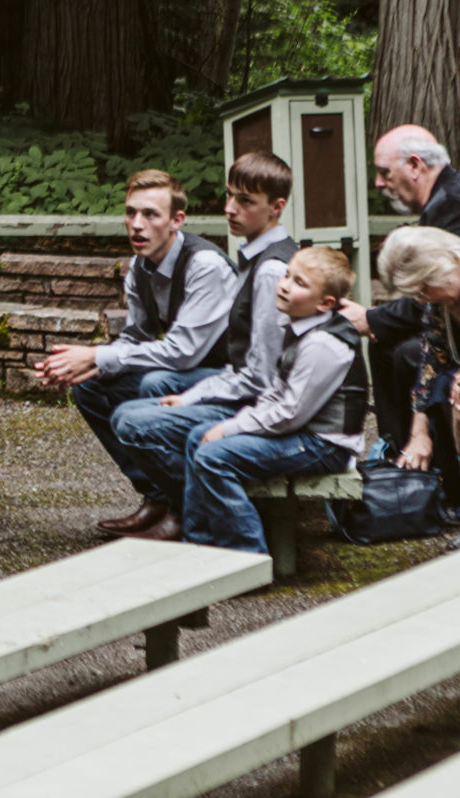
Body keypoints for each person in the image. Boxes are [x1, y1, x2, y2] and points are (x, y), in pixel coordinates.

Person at [36, 169, 237, 537]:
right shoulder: (139, 268)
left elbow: (182, 353)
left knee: (157, 382)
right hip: (186, 374)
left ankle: (185, 507)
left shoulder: (205, 266)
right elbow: (136, 336)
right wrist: (77, 366)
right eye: (130, 213)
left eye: (150, 215)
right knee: (91, 388)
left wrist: (97, 356)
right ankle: (158, 496)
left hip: (231, 381)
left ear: (177, 220)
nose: (137, 225)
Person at [108, 152, 298, 540]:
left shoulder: (271, 269)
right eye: (229, 196)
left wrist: (196, 396)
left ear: (277, 208)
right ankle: (169, 503)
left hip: (270, 405)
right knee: (143, 386)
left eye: (245, 201)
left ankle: (196, 519)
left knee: (137, 409)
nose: (229, 209)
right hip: (246, 385)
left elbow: (262, 378)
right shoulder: (253, 255)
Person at [180, 247, 367, 554]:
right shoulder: (299, 327)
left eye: (300, 283)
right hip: (302, 431)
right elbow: (277, 393)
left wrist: (230, 430)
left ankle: (247, 556)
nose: (284, 285)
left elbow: (289, 413)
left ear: (326, 304)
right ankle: (198, 544)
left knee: (214, 457)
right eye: (287, 275)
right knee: (196, 438)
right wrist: (236, 423)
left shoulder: (323, 343)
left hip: (323, 444)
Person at [340, 127, 460, 468]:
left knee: (411, 357)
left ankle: (436, 474)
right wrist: (418, 431)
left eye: (384, 172)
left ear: (414, 165)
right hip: (448, 338)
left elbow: (431, 294)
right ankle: (402, 452)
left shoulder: (450, 204)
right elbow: (433, 331)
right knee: (402, 350)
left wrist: (371, 318)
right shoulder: (442, 199)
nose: (378, 183)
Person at [369, 224, 460, 533]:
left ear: (443, 267)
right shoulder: (438, 304)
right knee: (442, 384)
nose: (421, 300)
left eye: (423, 288)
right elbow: (431, 361)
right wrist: (418, 433)